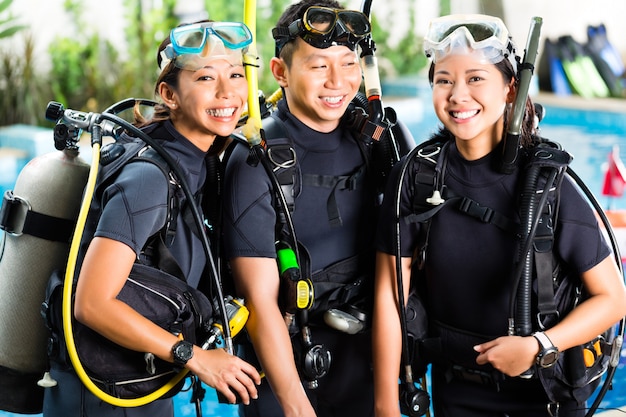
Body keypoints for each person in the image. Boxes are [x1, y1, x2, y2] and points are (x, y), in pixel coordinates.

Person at [372, 13, 626, 417]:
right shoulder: (416, 176)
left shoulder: (547, 183)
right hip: (456, 389)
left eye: (475, 78)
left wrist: (541, 345)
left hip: (543, 392)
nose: (457, 94)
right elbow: (390, 295)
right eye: (444, 80)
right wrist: (385, 403)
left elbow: (612, 299)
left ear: (511, 89)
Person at [42, 20, 261, 417]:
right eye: (206, 77)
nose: (228, 92)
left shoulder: (197, 159)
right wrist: (193, 356)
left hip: (134, 385)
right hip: (103, 397)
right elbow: (91, 303)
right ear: (169, 94)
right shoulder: (149, 177)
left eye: (234, 74)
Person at [221, 1, 413, 416]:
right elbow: (259, 300)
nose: (337, 82)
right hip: (285, 367)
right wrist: (295, 406)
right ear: (280, 72)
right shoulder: (257, 158)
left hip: (368, 358)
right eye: (318, 66)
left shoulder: (380, 138)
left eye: (348, 64)